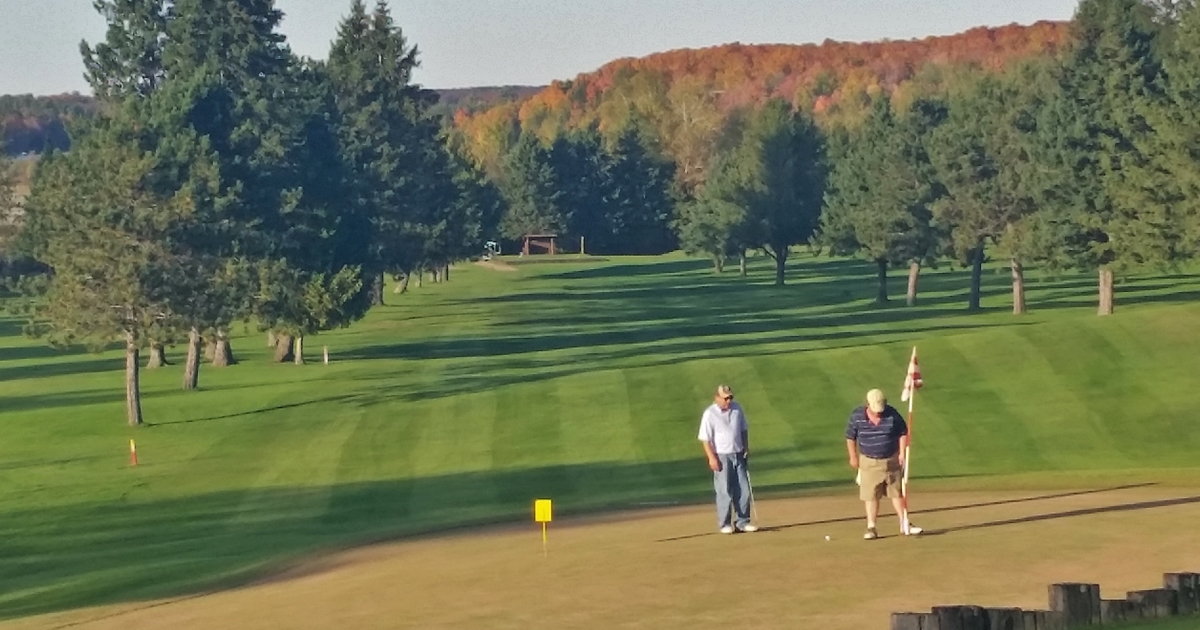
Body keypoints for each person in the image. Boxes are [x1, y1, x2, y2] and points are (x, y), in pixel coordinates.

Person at [845, 388, 922, 539]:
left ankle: (904, 523)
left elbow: (902, 433)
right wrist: (853, 456)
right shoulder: (857, 417)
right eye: (875, 410)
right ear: (867, 404)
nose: (878, 412)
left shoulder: (892, 414)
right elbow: (850, 437)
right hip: (869, 461)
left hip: (891, 460)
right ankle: (871, 527)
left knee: (897, 493)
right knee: (871, 495)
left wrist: (901, 453)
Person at [698, 384, 757, 534]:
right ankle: (724, 524)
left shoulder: (737, 409)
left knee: (743, 489)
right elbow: (705, 439)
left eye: (730, 397)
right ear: (716, 398)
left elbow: (743, 429)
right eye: (725, 398)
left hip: (738, 453)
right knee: (724, 490)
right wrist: (711, 458)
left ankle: (742, 522)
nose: (728, 401)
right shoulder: (710, 414)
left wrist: (746, 447)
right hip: (721, 456)